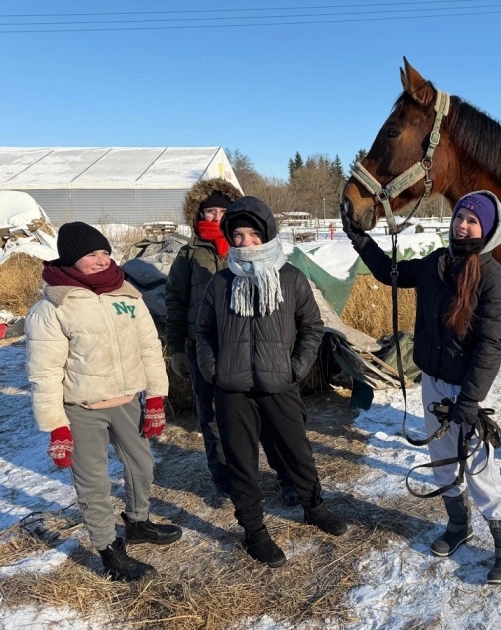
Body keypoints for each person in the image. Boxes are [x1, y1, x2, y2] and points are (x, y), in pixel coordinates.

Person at [341, 191, 501, 584]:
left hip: (465, 390)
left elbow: (491, 346)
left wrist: (471, 400)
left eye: (473, 221)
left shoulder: (494, 279)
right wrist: (358, 237)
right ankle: (458, 525)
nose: (463, 225)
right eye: (460, 217)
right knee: (441, 460)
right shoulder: (435, 264)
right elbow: (388, 272)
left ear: (488, 228)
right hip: (432, 383)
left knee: (478, 468)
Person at [25, 222, 182, 582]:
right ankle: (109, 550)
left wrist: (155, 397)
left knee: (142, 465)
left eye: (104, 252)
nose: (100, 260)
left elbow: (148, 349)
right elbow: (44, 372)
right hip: (80, 409)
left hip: (127, 402)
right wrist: (56, 427)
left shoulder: (126, 294)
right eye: (90, 255)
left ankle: (139, 522)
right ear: (70, 260)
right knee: (93, 483)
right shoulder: (53, 306)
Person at [196, 196, 347, 568]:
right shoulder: (221, 282)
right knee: (242, 464)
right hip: (233, 391)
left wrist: (295, 369)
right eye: (237, 235)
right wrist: (214, 371)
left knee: (298, 453)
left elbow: (312, 327)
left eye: (251, 234)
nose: (244, 242)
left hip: (280, 384)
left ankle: (314, 508)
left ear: (266, 235)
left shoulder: (291, 277)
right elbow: (203, 331)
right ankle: (254, 532)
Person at [165, 179, 299, 507]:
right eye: (208, 211)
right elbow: (175, 301)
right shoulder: (188, 254)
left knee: (268, 415)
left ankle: (287, 478)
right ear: (198, 214)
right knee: (213, 417)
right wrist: (178, 348)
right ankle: (225, 479)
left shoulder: (252, 249)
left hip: (253, 346)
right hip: (207, 347)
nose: (215, 217)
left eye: (221, 211)